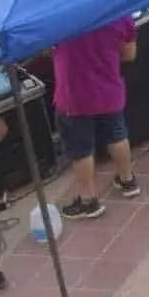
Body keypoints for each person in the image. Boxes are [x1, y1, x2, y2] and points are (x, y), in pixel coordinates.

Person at [52, 14, 141, 220]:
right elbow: (129, 54)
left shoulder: (59, 17)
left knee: (80, 149)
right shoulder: (119, 13)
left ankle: (88, 200)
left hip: (74, 95)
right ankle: (127, 181)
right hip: (108, 89)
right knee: (117, 134)